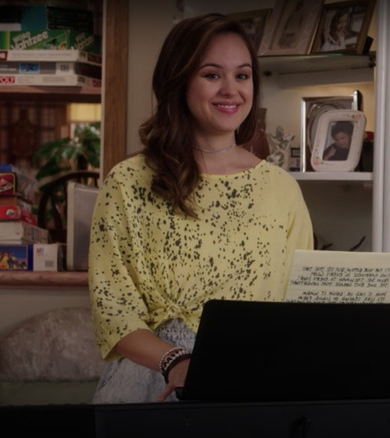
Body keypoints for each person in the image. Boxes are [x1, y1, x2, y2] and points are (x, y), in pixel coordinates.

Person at [88, 13, 315, 404]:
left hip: (255, 386)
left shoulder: (282, 189)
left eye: (242, 76)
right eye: (212, 75)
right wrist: (176, 362)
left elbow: (301, 305)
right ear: (178, 81)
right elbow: (113, 308)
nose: (231, 90)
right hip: (155, 383)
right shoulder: (128, 182)